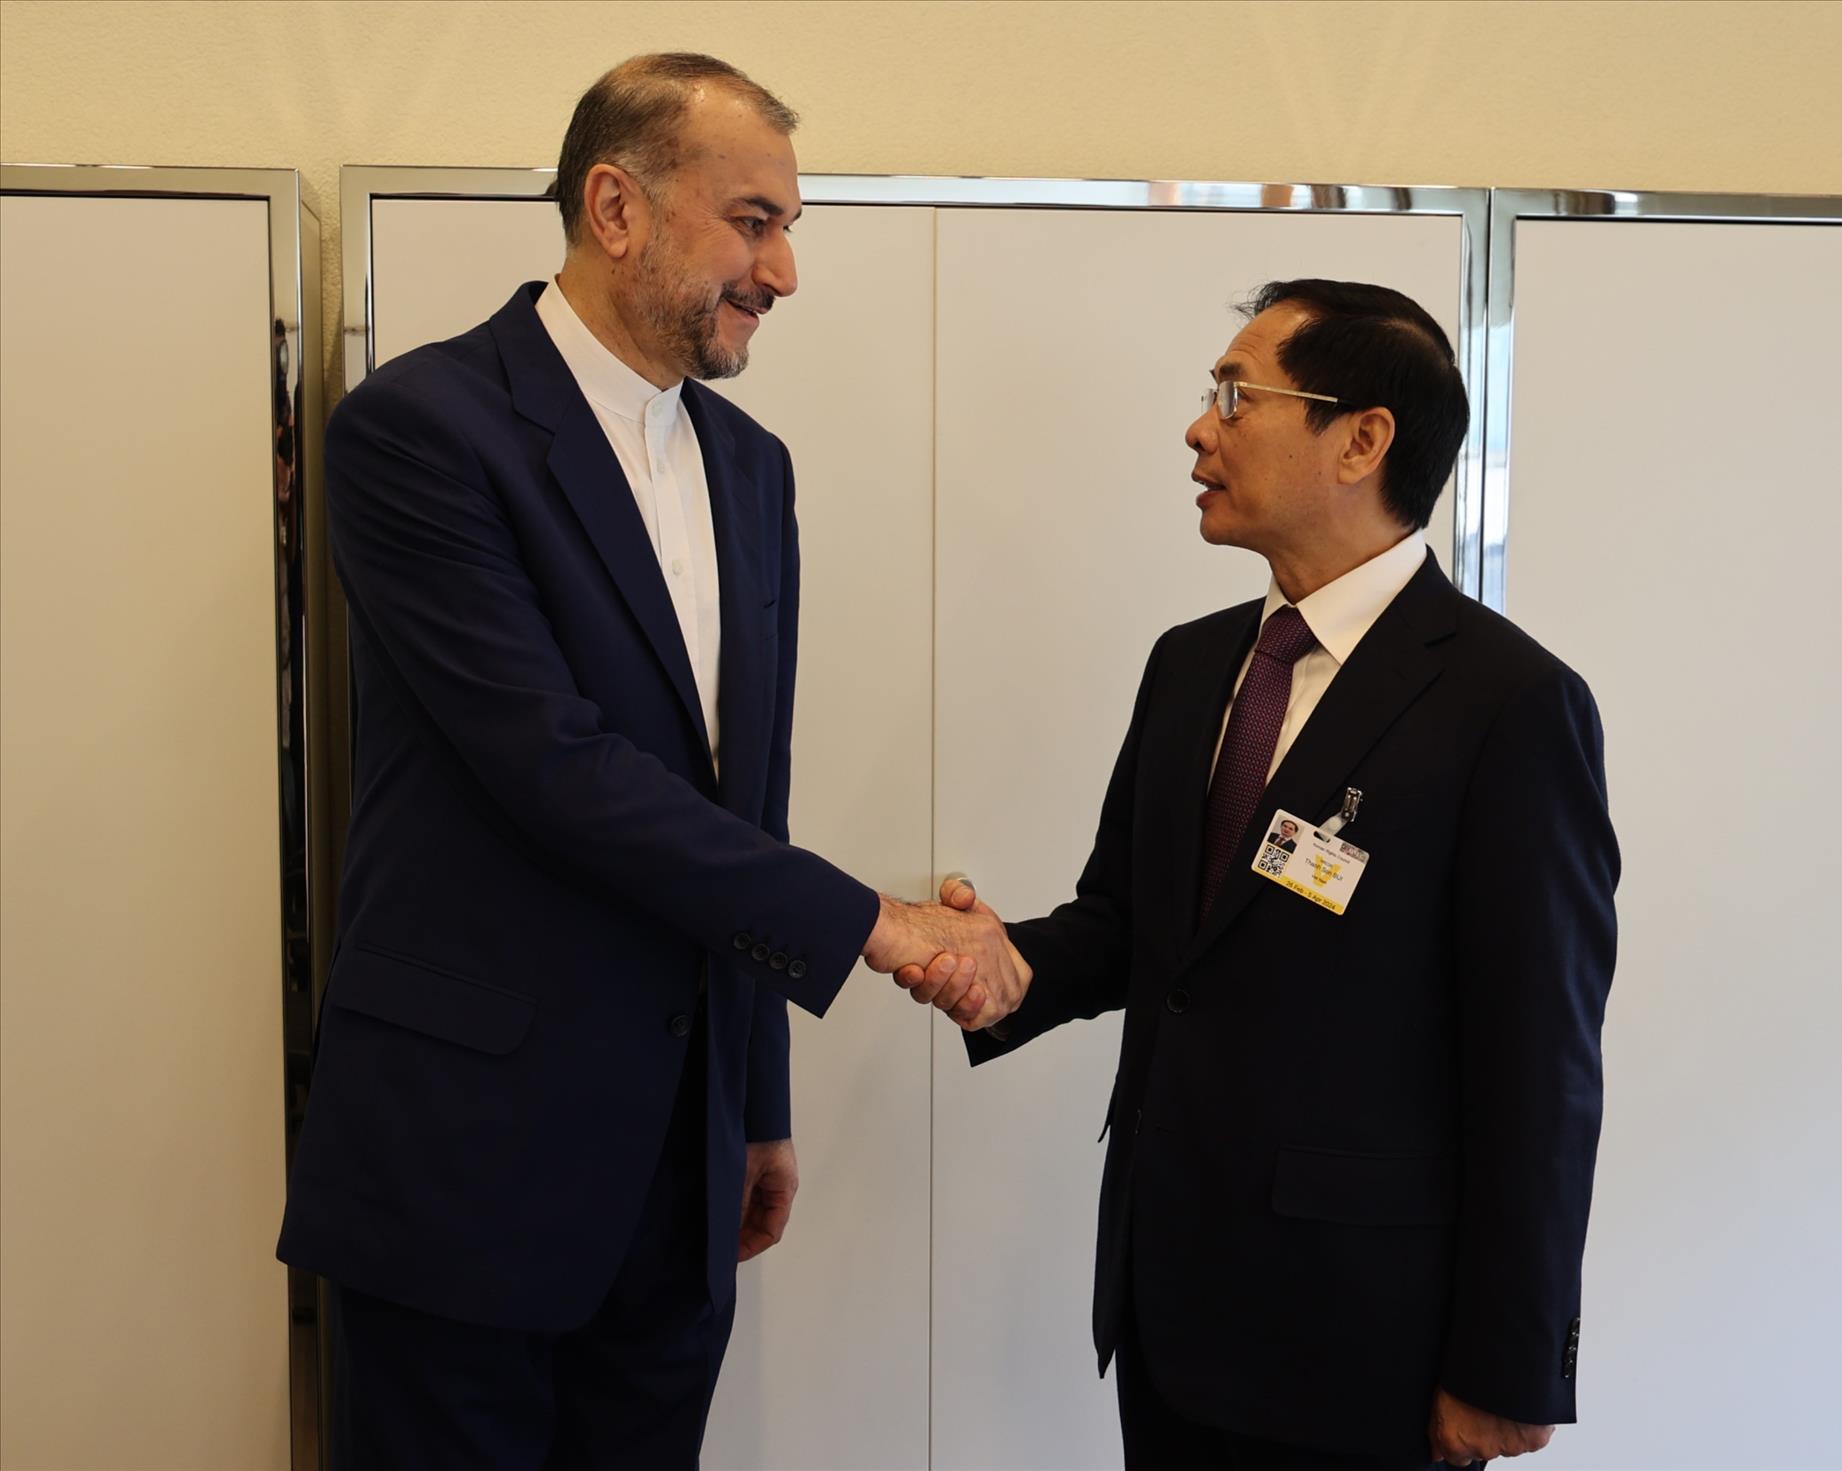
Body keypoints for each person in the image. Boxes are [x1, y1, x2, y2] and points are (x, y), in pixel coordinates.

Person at [277, 53, 1025, 1468]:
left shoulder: (751, 465)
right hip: (463, 1166)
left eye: (788, 228)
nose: (783, 271)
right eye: (753, 222)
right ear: (615, 208)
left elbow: (748, 795)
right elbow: (556, 768)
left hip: (678, 1170)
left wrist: (753, 1104)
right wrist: (874, 922)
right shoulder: (420, 431)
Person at [898, 280, 1619, 1469]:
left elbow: (1542, 1065)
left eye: (1237, 397)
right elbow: (1135, 925)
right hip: (1169, 1305)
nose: (1200, 429)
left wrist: (1511, 1359)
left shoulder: (1509, 704)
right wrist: (1004, 962)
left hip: (1365, 1339)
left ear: (1362, 439)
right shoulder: (1191, 667)